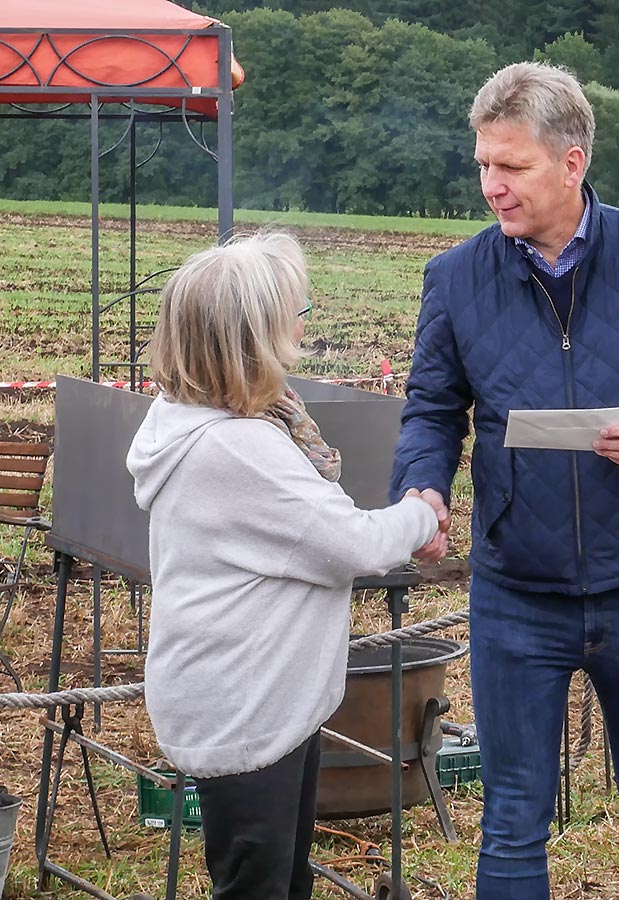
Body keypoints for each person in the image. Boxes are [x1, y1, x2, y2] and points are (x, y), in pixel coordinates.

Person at [390, 62, 619, 900]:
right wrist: (422, 488)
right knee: (512, 820)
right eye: (483, 165)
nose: (492, 186)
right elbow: (432, 410)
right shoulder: (456, 278)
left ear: (571, 162)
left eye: (511, 166)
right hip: (515, 593)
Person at [126, 232, 447, 900]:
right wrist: (422, 513)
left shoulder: (192, 415)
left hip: (252, 697)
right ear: (251, 337)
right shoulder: (237, 447)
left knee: (283, 881)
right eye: (292, 315)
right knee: (260, 888)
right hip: (244, 708)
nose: (302, 327)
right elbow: (351, 543)